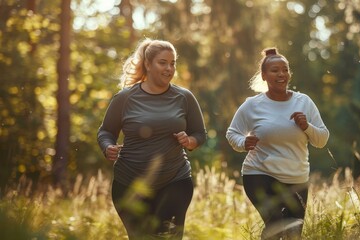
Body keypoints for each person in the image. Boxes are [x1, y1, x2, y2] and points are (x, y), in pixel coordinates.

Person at [97, 38, 207, 239]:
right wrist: (108, 147)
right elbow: (106, 132)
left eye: (172, 63)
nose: (169, 68)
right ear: (147, 64)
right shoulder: (125, 98)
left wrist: (189, 141)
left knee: (168, 237)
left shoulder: (184, 97)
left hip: (175, 179)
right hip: (130, 183)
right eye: (163, 62)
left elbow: (200, 133)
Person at [226, 47, 329, 239]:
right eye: (274, 70)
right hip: (260, 174)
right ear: (264, 76)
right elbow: (232, 133)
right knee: (277, 228)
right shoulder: (252, 105)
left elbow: (322, 140)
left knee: (293, 234)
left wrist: (306, 126)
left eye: (285, 69)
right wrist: (243, 142)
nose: (281, 74)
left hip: (297, 179)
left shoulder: (304, 102)